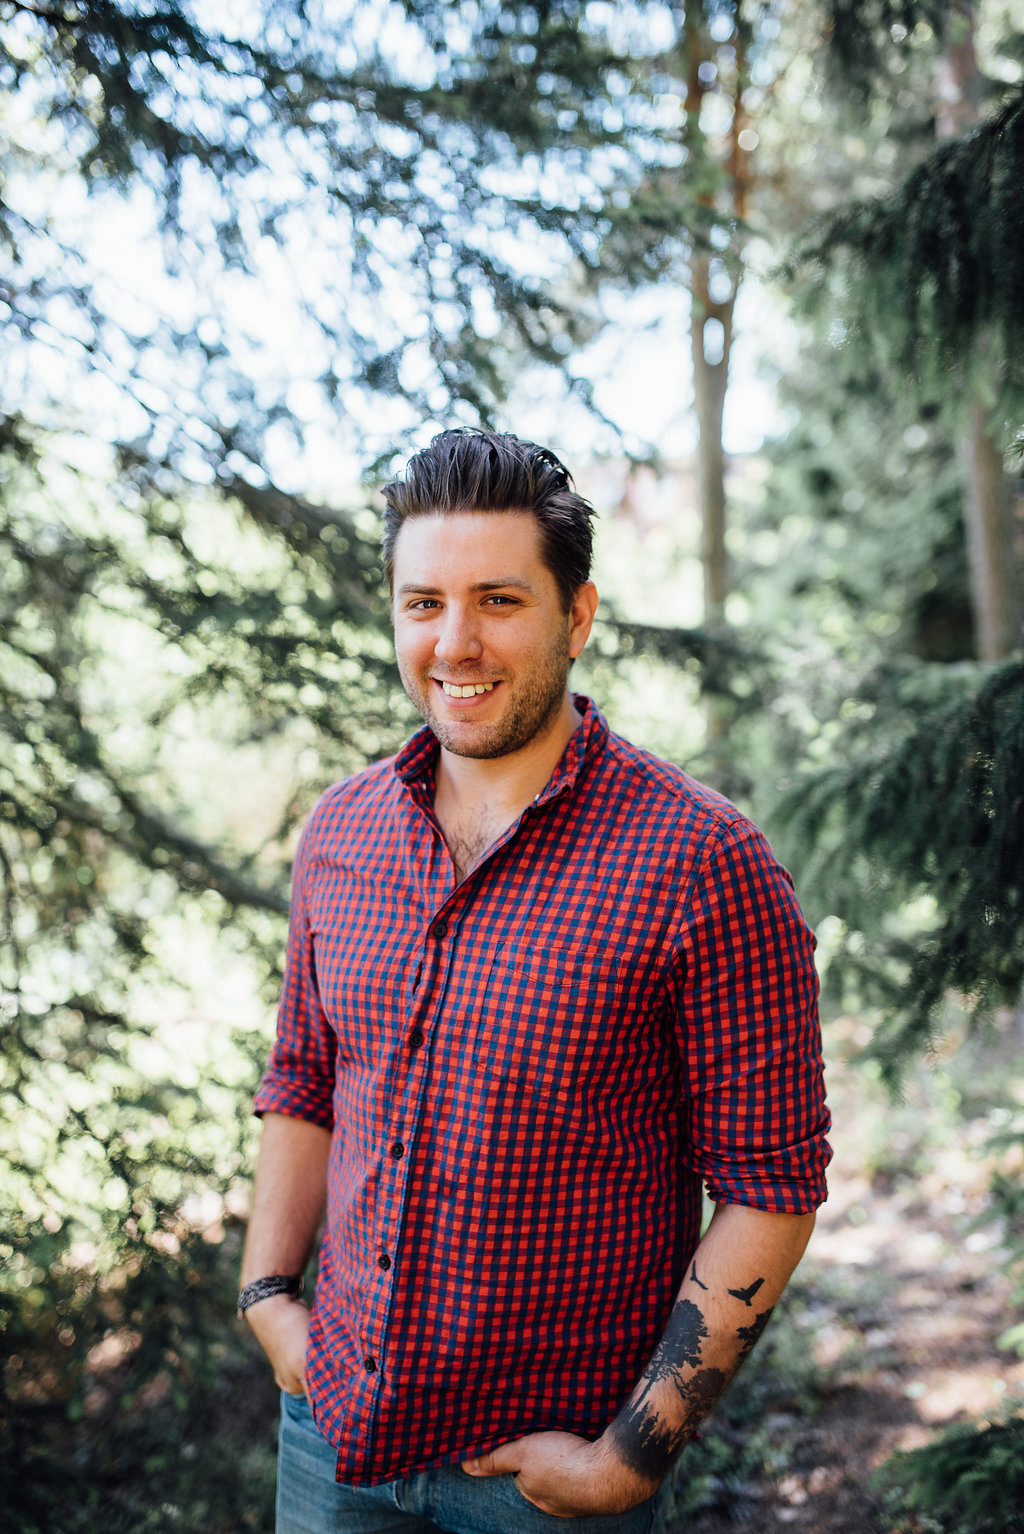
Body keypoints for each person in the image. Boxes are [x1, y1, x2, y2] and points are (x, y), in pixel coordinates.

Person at [239, 429, 831, 1534]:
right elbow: (304, 1081)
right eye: (423, 603)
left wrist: (629, 1459)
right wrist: (269, 1296)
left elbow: (770, 1186)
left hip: (545, 1481)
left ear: (578, 615)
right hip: (330, 1435)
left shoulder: (705, 863)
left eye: (499, 600)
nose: (454, 642)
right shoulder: (341, 831)